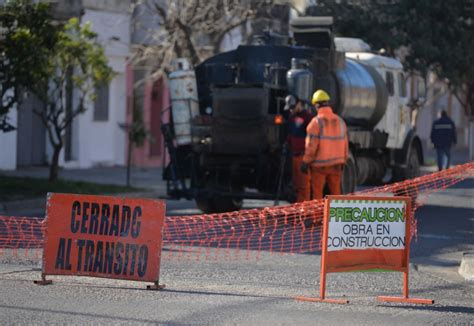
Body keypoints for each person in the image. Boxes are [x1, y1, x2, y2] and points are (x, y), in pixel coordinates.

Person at [300, 90, 348, 199]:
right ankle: (336, 215)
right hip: (336, 164)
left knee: (317, 194)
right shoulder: (340, 121)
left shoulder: (315, 123)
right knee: (336, 193)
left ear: (316, 105)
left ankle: (318, 216)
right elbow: (345, 144)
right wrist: (344, 160)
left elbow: (311, 146)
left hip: (319, 166)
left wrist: (305, 162)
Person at [284, 95, 313, 202]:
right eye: (290, 108)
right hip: (294, 155)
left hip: (303, 156)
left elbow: (312, 138)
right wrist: (287, 143)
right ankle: (299, 209)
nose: (291, 110)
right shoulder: (292, 117)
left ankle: (304, 210)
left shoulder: (308, 118)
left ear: (299, 104)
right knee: (297, 185)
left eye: (293, 107)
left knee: (304, 185)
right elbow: (291, 134)